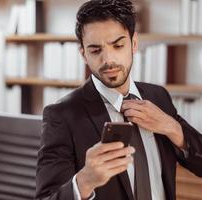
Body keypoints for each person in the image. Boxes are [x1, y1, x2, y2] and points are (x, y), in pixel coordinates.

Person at [35, 0, 202, 200]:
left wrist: (173, 128)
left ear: (133, 44)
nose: (108, 60)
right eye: (96, 50)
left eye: (118, 45)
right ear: (84, 54)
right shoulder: (61, 115)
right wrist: (85, 182)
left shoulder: (159, 97)